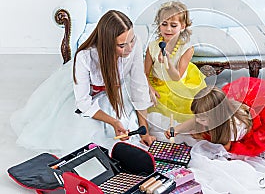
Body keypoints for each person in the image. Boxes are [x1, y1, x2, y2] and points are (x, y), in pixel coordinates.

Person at [11, 10, 156, 154]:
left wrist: (145, 133)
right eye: (122, 45)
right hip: (88, 95)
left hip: (114, 90)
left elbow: (138, 87)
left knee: (129, 122)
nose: (130, 48)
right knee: (88, 133)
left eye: (131, 41)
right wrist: (113, 121)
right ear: (107, 44)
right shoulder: (85, 57)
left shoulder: (134, 44)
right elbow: (84, 103)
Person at [165, 77, 265, 163]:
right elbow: (195, 122)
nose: (198, 120)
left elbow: (224, 148)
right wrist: (177, 129)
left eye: (202, 118)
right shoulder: (210, 117)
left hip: (250, 125)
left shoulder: (230, 131)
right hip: (240, 109)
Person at [145, 1, 206, 124]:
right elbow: (145, 73)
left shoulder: (187, 49)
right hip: (157, 84)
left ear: (182, 26)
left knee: (186, 115)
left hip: (178, 85)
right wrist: (149, 88)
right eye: (164, 24)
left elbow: (176, 77)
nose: (168, 29)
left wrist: (167, 63)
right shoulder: (152, 47)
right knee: (152, 113)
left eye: (173, 25)